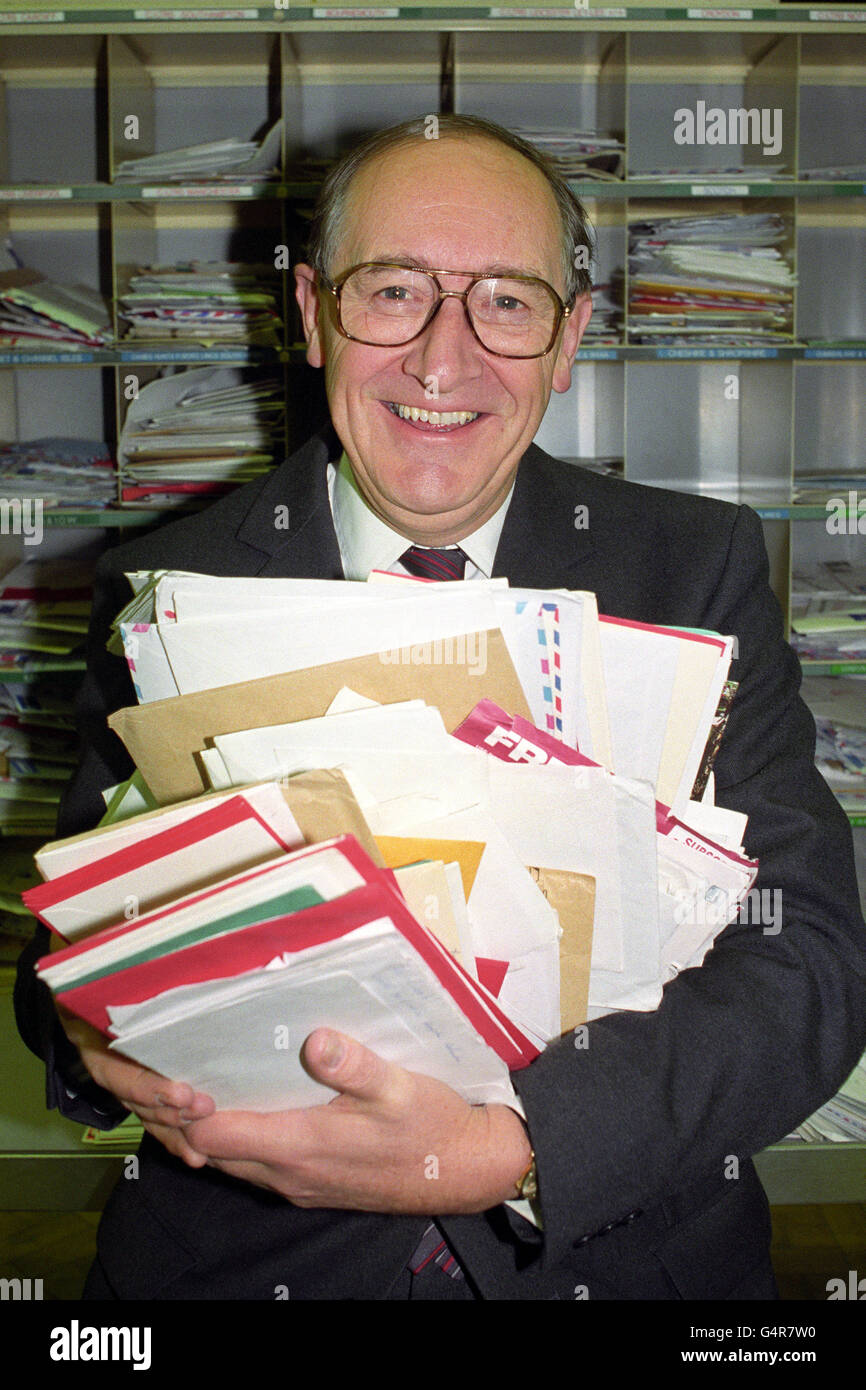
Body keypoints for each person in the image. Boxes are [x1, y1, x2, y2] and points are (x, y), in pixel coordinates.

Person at [15, 114, 866, 1301]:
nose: (439, 359)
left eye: (506, 303)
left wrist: (519, 1147)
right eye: (395, 290)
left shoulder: (697, 565)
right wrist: (100, 1037)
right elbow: (73, 942)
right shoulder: (166, 587)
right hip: (244, 1263)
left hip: (618, 1257)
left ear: (568, 339)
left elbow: (807, 958)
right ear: (310, 311)